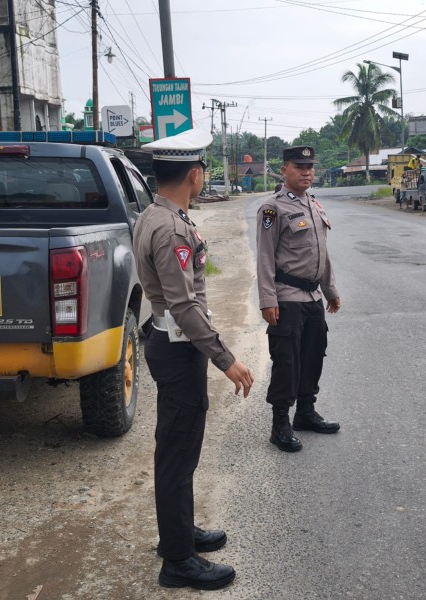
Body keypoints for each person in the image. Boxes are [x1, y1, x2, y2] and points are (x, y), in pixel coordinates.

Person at [133, 128, 254, 590]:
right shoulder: (170, 228)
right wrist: (227, 360)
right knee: (178, 454)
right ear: (195, 174)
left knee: (177, 450)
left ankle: (178, 535)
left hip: (172, 344)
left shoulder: (155, 215)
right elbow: (184, 305)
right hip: (179, 348)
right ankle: (178, 561)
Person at [256, 145, 341, 453]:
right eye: (299, 166)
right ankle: (280, 424)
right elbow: (264, 257)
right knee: (287, 362)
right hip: (287, 296)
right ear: (284, 170)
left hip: (312, 296)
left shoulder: (314, 204)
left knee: (313, 355)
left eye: (310, 167)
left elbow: (322, 253)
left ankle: (305, 412)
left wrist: (330, 290)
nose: (307, 171)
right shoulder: (272, 208)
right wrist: (268, 299)